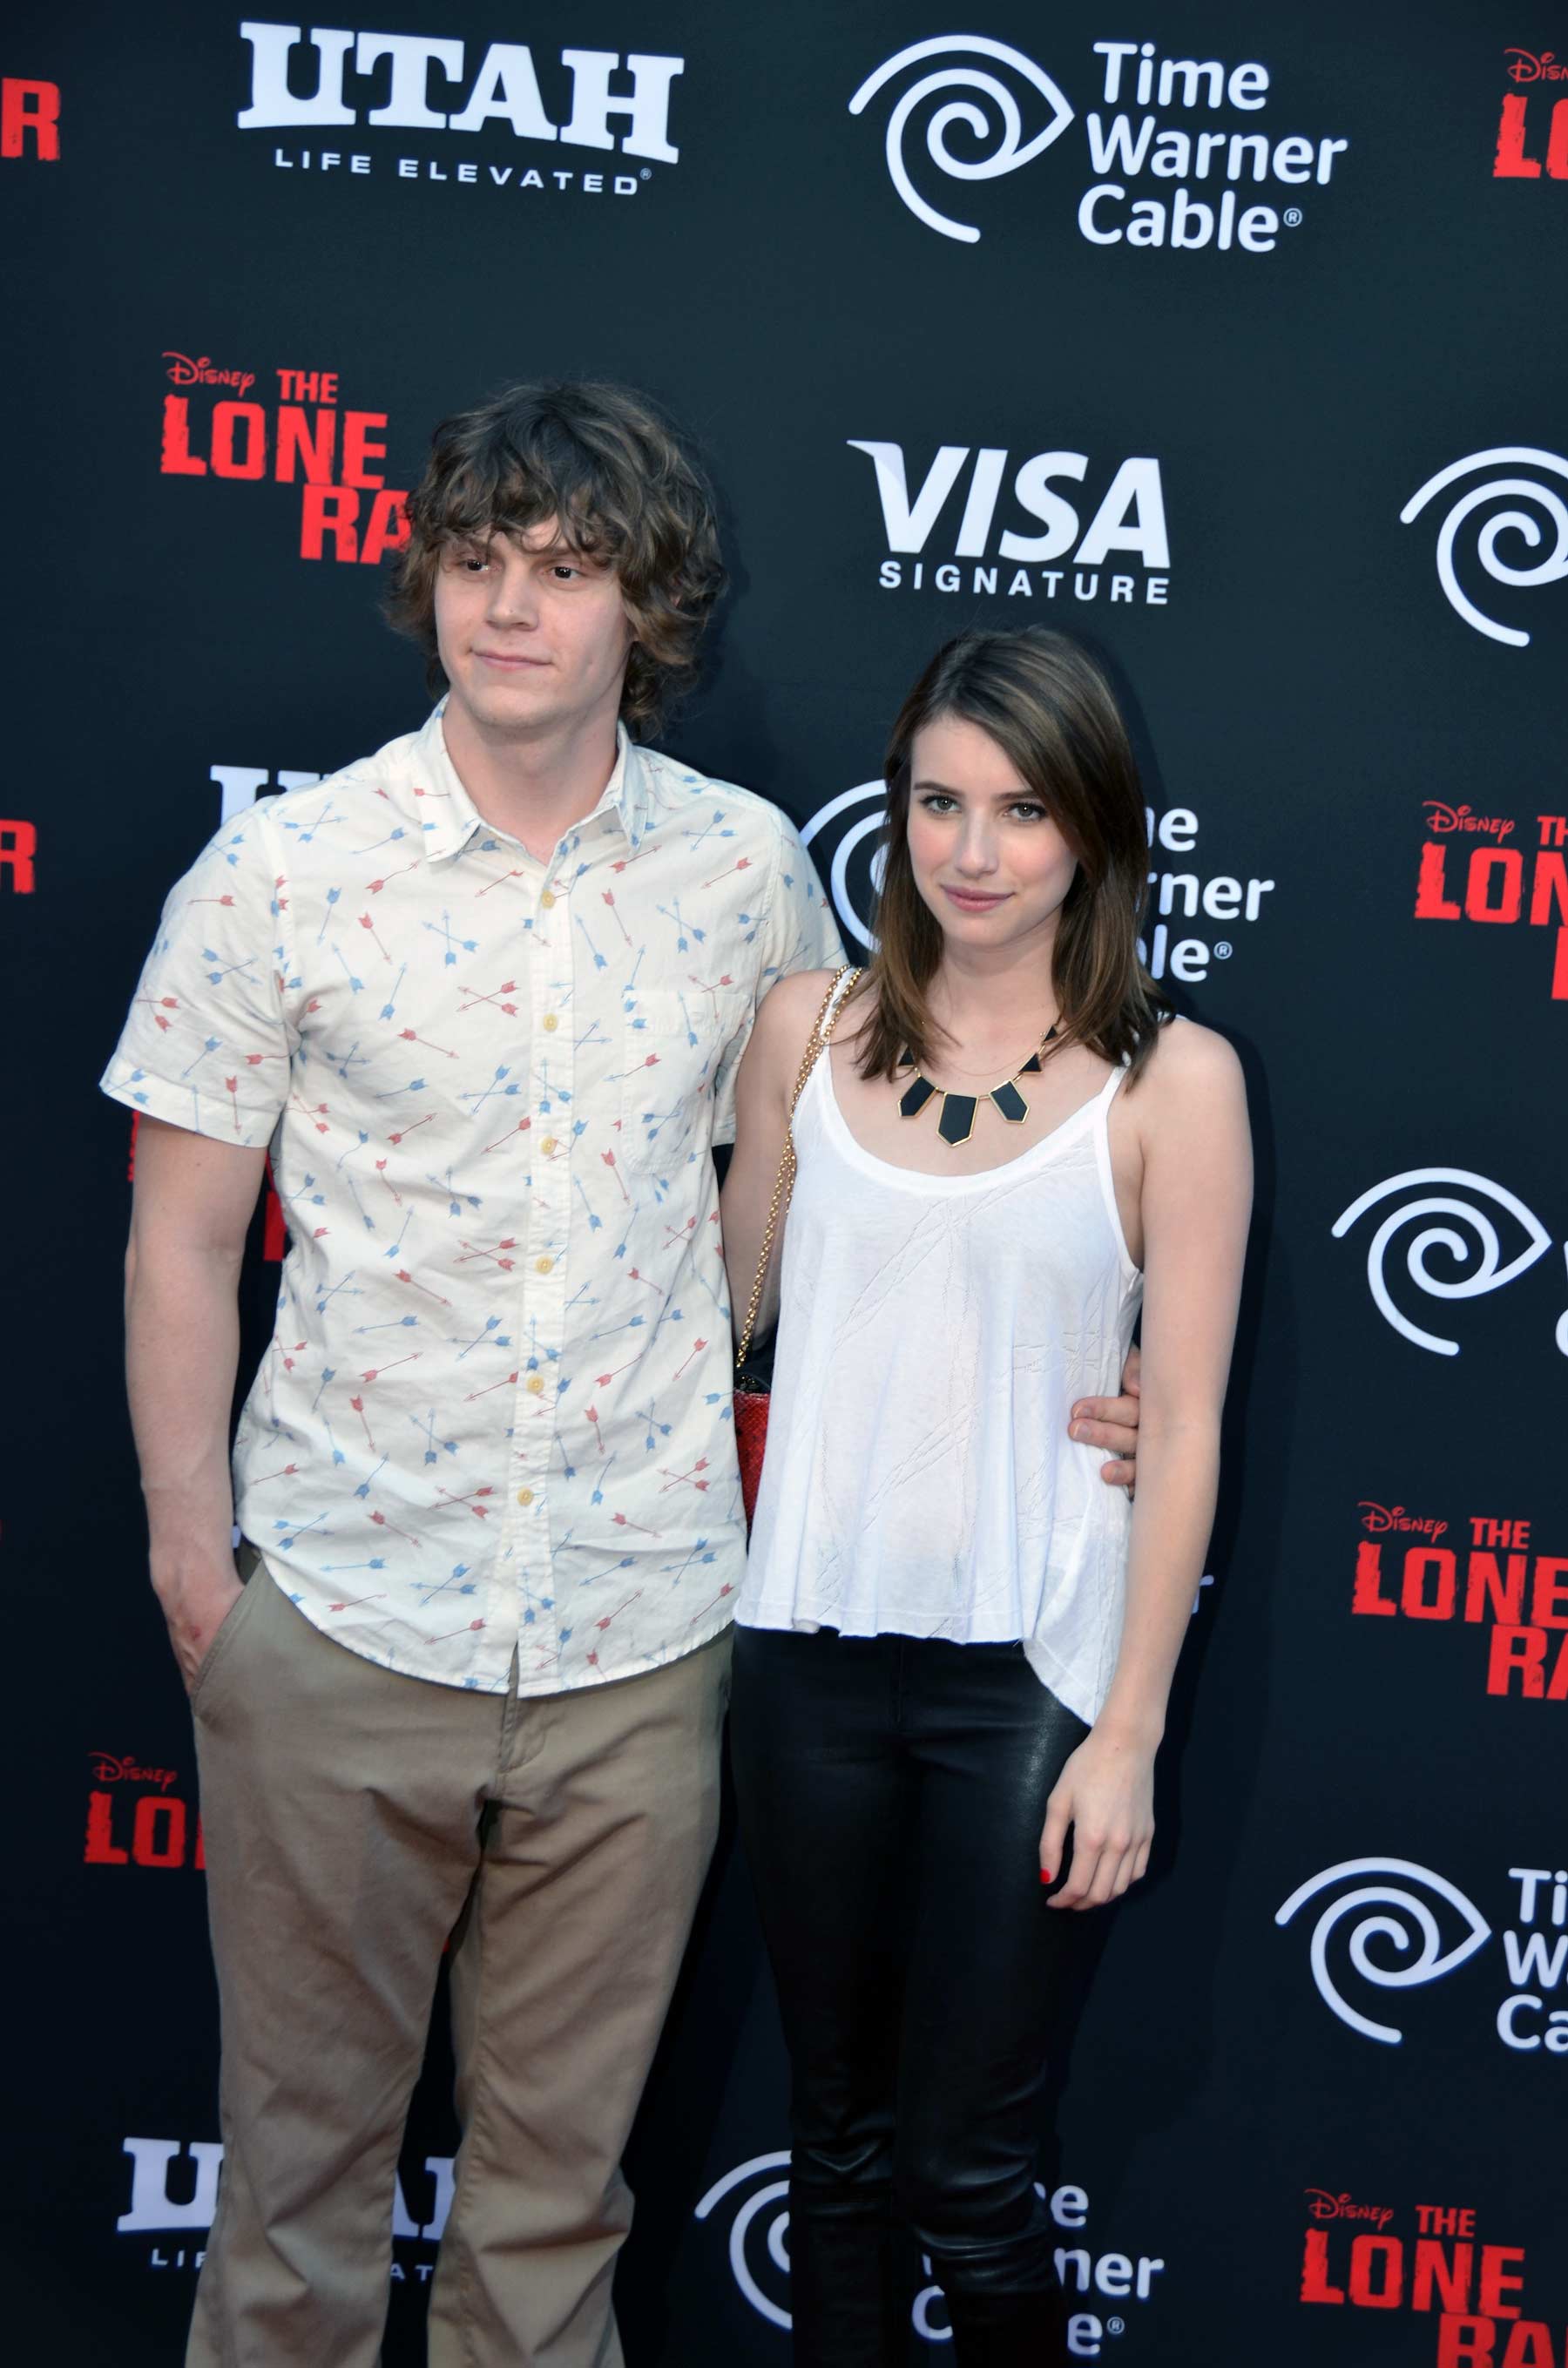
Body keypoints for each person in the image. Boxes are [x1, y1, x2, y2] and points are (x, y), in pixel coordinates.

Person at [101, 388, 1144, 2368]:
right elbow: (172, 1240)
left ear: (642, 610)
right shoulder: (282, 876)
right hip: (337, 1612)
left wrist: (1106, 1386)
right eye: (479, 562)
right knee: (295, 2195)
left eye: (566, 571)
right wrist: (194, 1570)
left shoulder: (751, 878)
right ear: (426, 582)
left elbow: (868, 1213)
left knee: (558, 2206)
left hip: (646, 1642)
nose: (512, 608)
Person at [721, 627, 1252, 2365]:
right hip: (802, 1656)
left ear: (1090, 831)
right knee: (838, 2150)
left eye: (1021, 810)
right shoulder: (804, 1030)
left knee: (970, 2173)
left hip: (1028, 1673)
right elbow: (729, 1319)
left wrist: (1131, 1733)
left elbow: (1179, 1428)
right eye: (937, 802)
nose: (970, 850)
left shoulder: (1178, 1083)